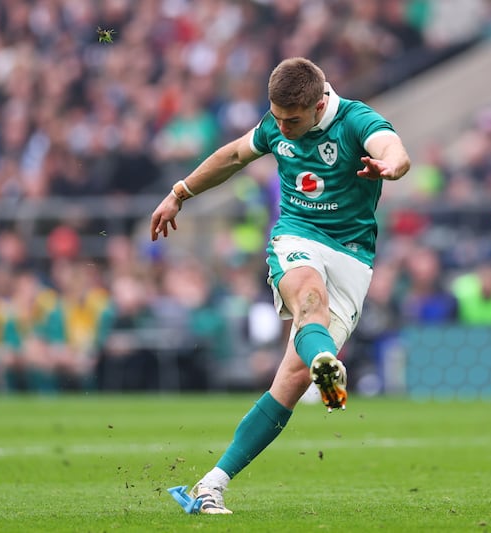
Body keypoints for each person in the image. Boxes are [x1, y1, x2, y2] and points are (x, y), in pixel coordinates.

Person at [150, 57, 410, 514]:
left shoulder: (355, 119)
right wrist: (178, 194)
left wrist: (390, 167)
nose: (282, 128)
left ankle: (210, 484)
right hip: (297, 236)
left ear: (319, 104)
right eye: (276, 117)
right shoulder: (275, 124)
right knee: (309, 298)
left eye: (292, 120)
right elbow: (233, 156)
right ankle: (326, 361)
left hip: (353, 256)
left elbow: (394, 148)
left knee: (289, 381)